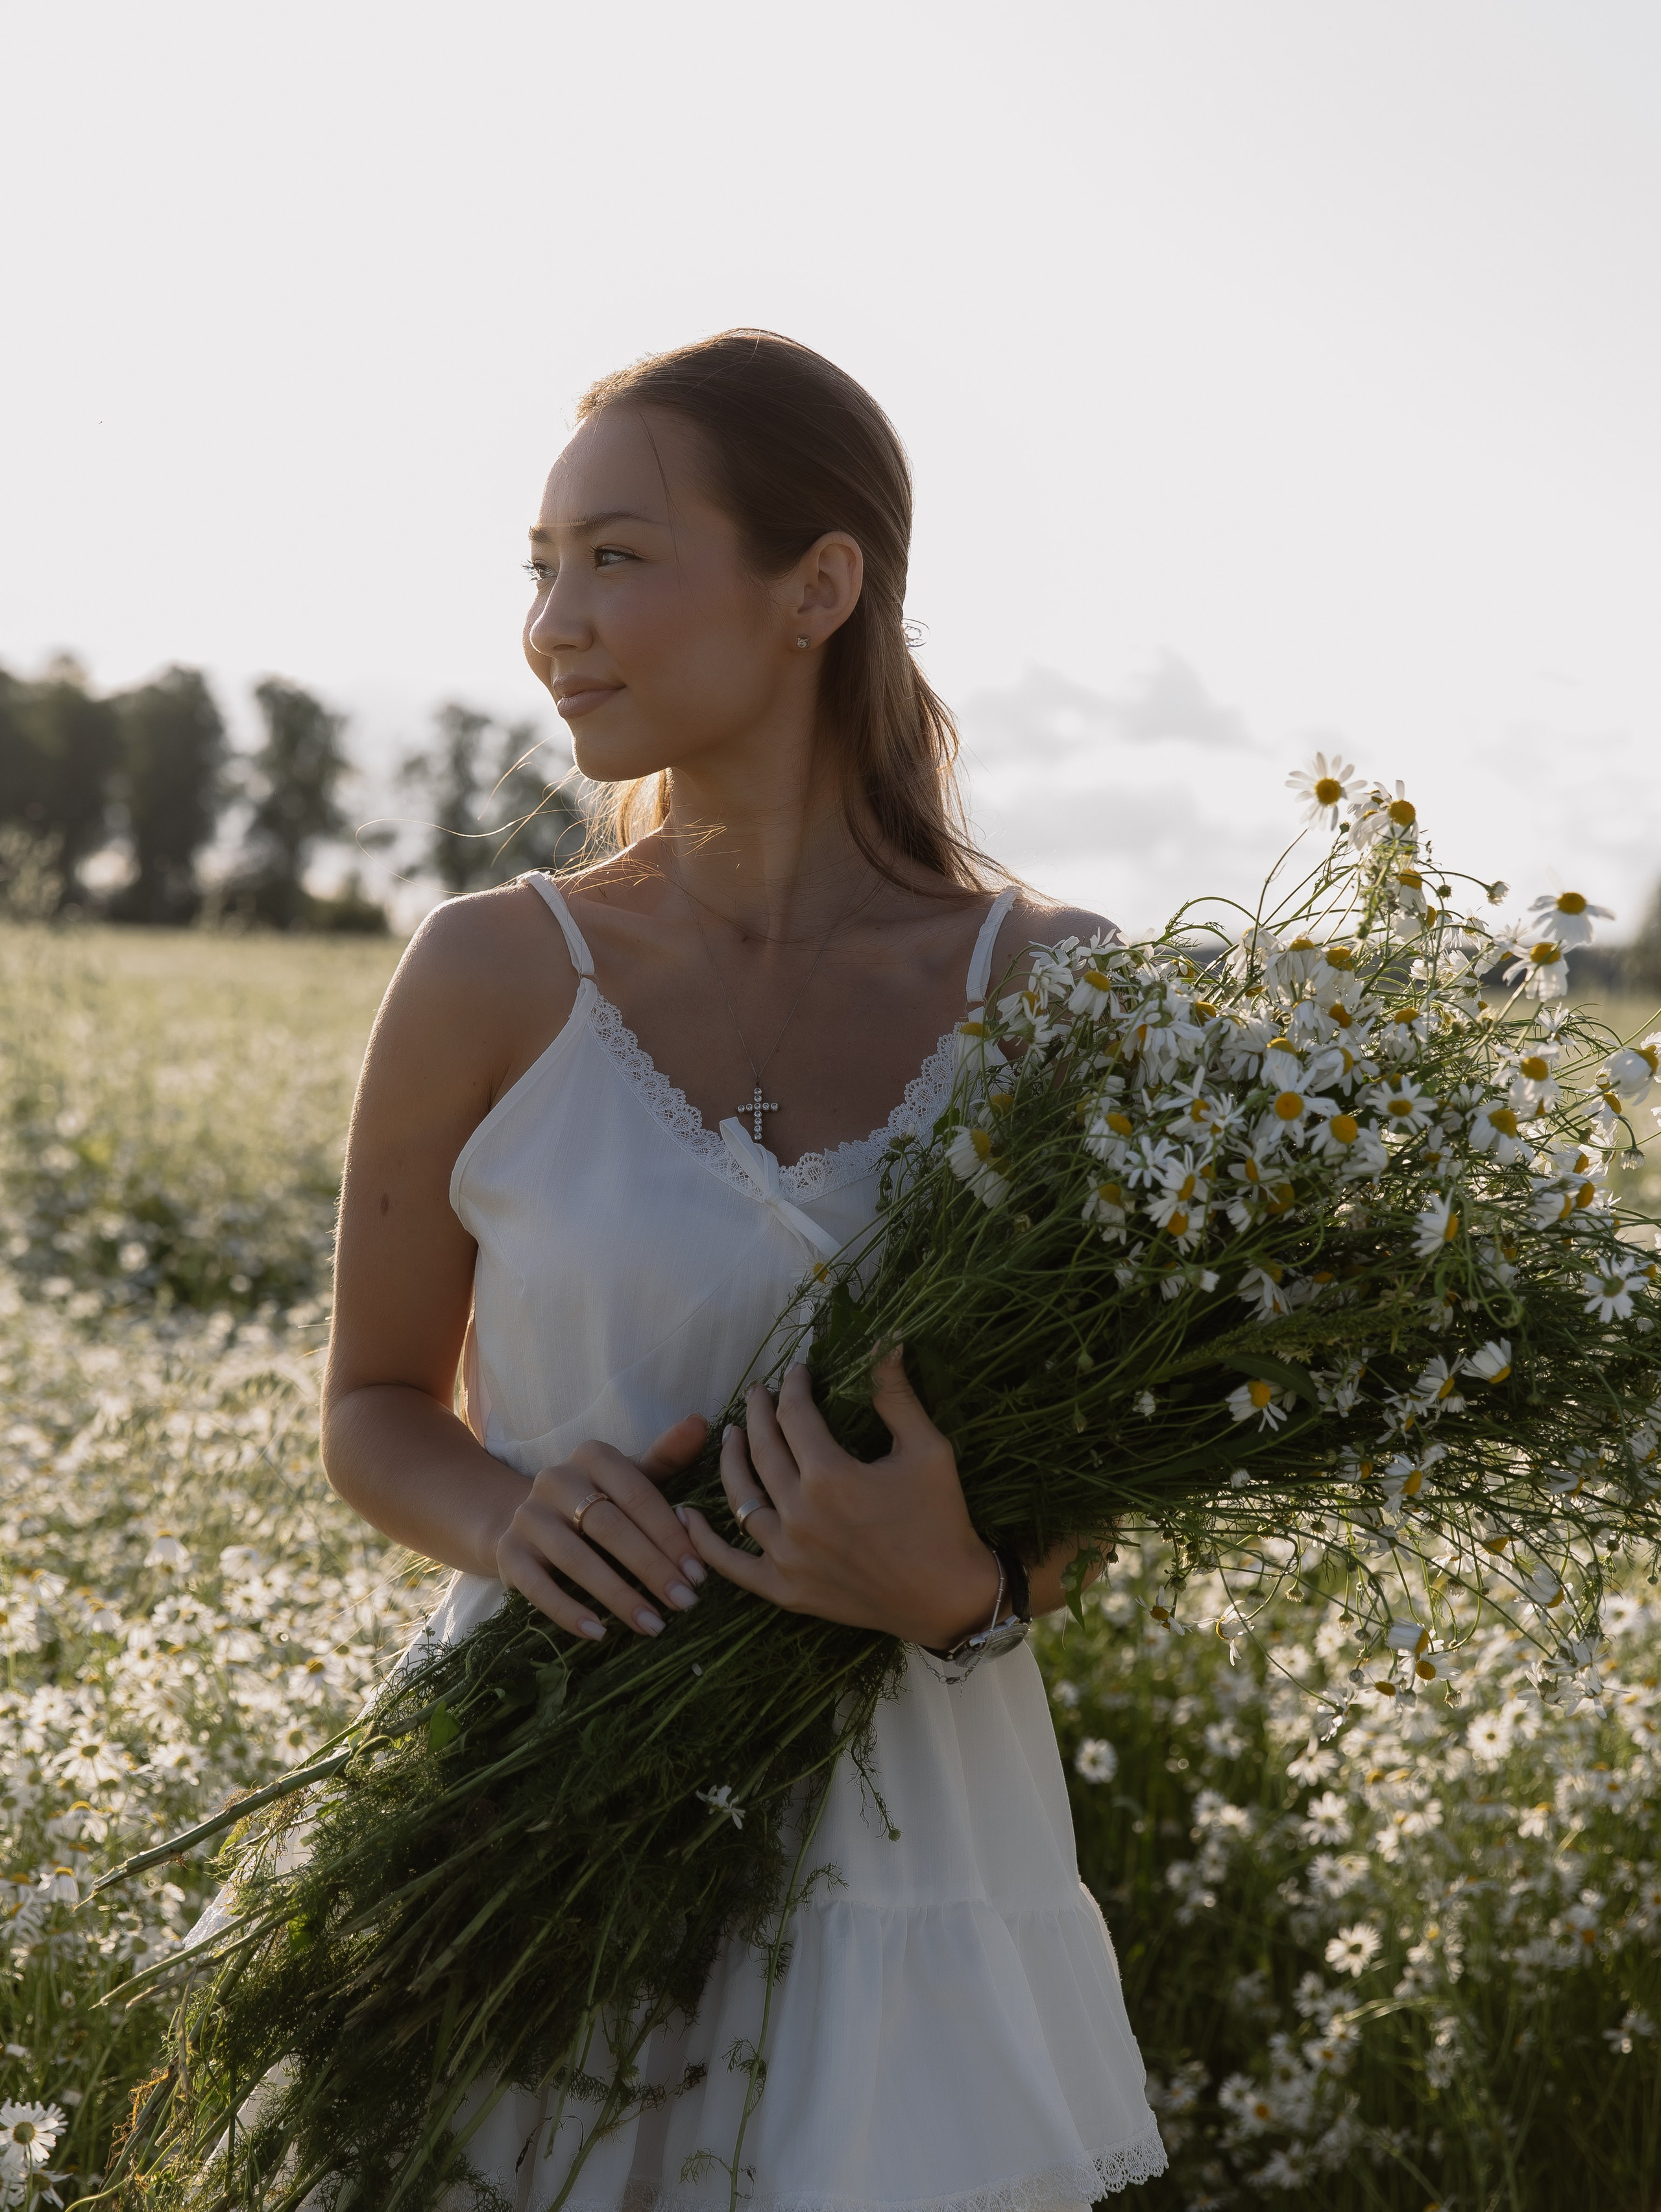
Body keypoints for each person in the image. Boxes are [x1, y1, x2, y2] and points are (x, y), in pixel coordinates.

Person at [322, 330, 1165, 2211]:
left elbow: (1094, 1478)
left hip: (907, 1846)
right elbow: (375, 1410)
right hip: (532, 1807)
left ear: (821, 585)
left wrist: (962, 1584)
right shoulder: (485, 970)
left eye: (617, 557)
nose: (556, 623)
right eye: (540, 565)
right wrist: (514, 1514)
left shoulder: (1054, 994)